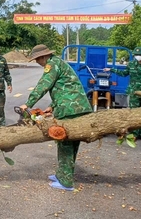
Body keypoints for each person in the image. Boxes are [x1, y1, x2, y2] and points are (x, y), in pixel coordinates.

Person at [20, 44, 92, 191]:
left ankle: (66, 182)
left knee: (65, 142)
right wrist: (53, 105)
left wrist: (27, 104)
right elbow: (65, 86)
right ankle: (62, 174)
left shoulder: (51, 65)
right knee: (69, 143)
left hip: (70, 109)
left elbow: (43, 85)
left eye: (37, 60)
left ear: (43, 57)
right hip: (75, 106)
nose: (37, 63)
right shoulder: (58, 63)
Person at [104, 46, 141, 141]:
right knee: (134, 113)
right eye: (136, 55)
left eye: (140, 55)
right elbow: (124, 73)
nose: (138, 56)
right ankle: (134, 134)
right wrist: (112, 69)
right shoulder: (131, 64)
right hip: (134, 92)